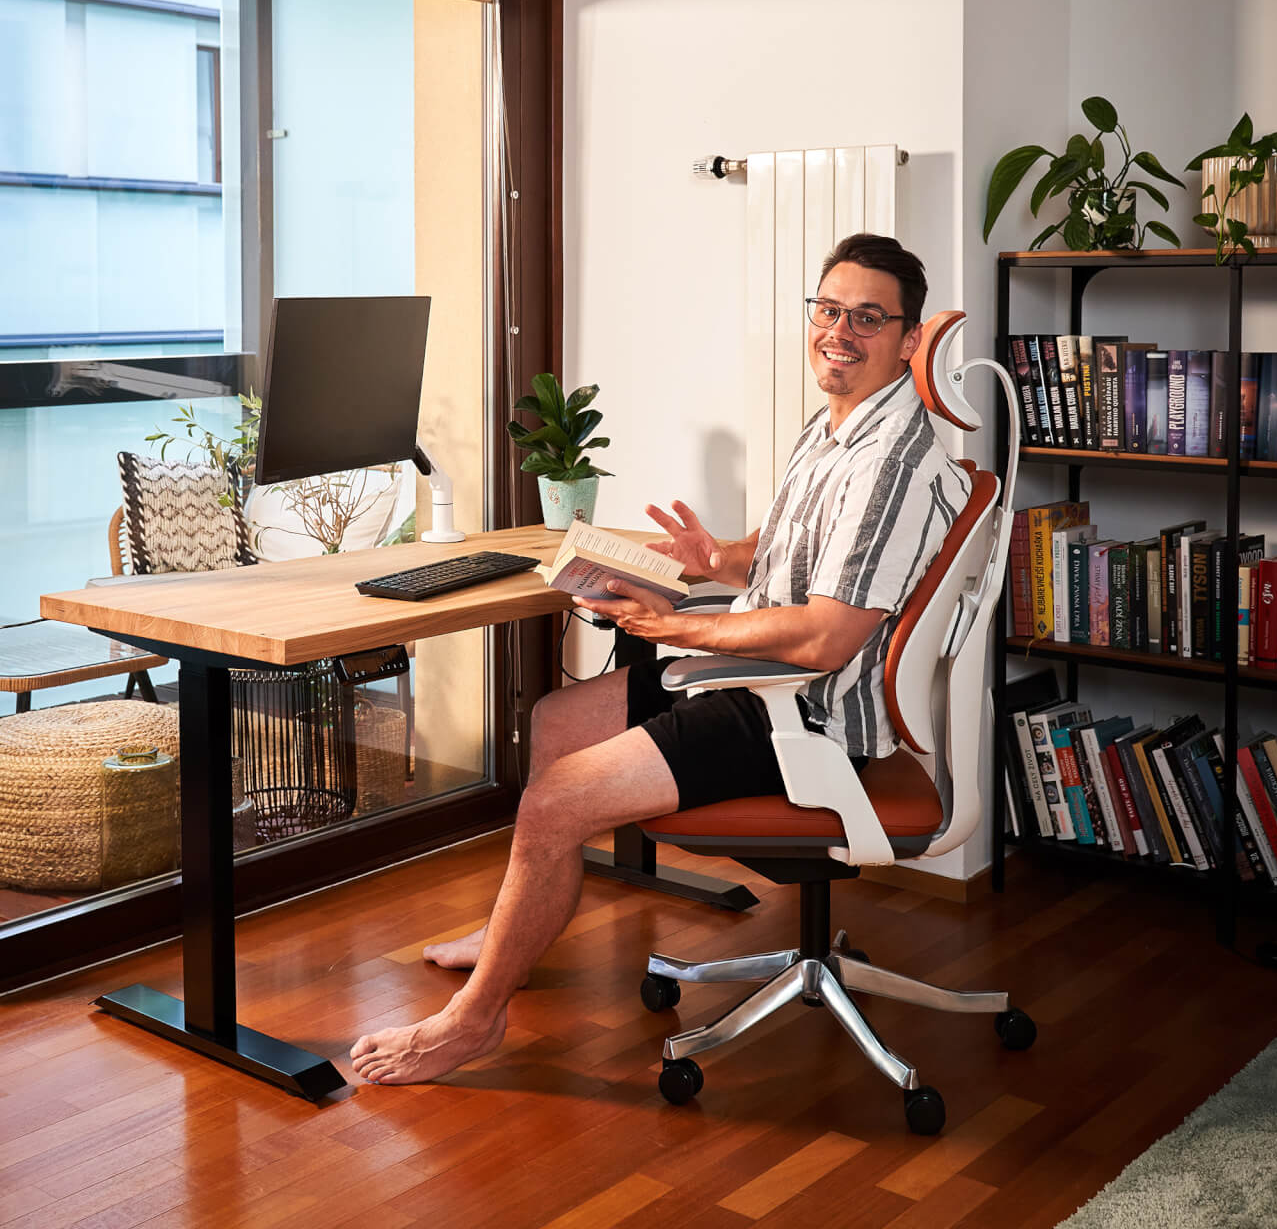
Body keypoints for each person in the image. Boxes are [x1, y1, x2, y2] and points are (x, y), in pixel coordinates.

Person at [350, 233, 973, 1085]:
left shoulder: (892, 464)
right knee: (557, 721)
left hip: (802, 715)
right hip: (760, 681)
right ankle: (510, 942)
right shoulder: (839, 426)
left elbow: (826, 636)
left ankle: (473, 1020)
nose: (839, 332)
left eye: (867, 318)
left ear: (909, 340)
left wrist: (682, 628)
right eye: (829, 310)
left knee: (554, 803)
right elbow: (792, 561)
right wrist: (715, 561)